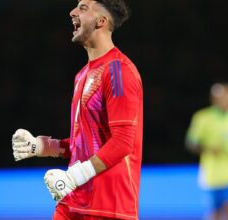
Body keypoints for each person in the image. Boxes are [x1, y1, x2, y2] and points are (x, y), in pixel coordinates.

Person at [11, 0, 143, 219]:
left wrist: (73, 177)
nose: (72, 12)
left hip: (109, 206)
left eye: (83, 8)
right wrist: (42, 146)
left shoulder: (119, 71)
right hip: (74, 199)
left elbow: (122, 142)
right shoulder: (82, 76)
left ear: (102, 21)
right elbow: (85, 145)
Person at [185, 82, 228, 220]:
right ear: (214, 99)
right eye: (222, 97)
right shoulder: (202, 117)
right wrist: (208, 149)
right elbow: (191, 143)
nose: (226, 100)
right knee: (214, 212)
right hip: (211, 174)